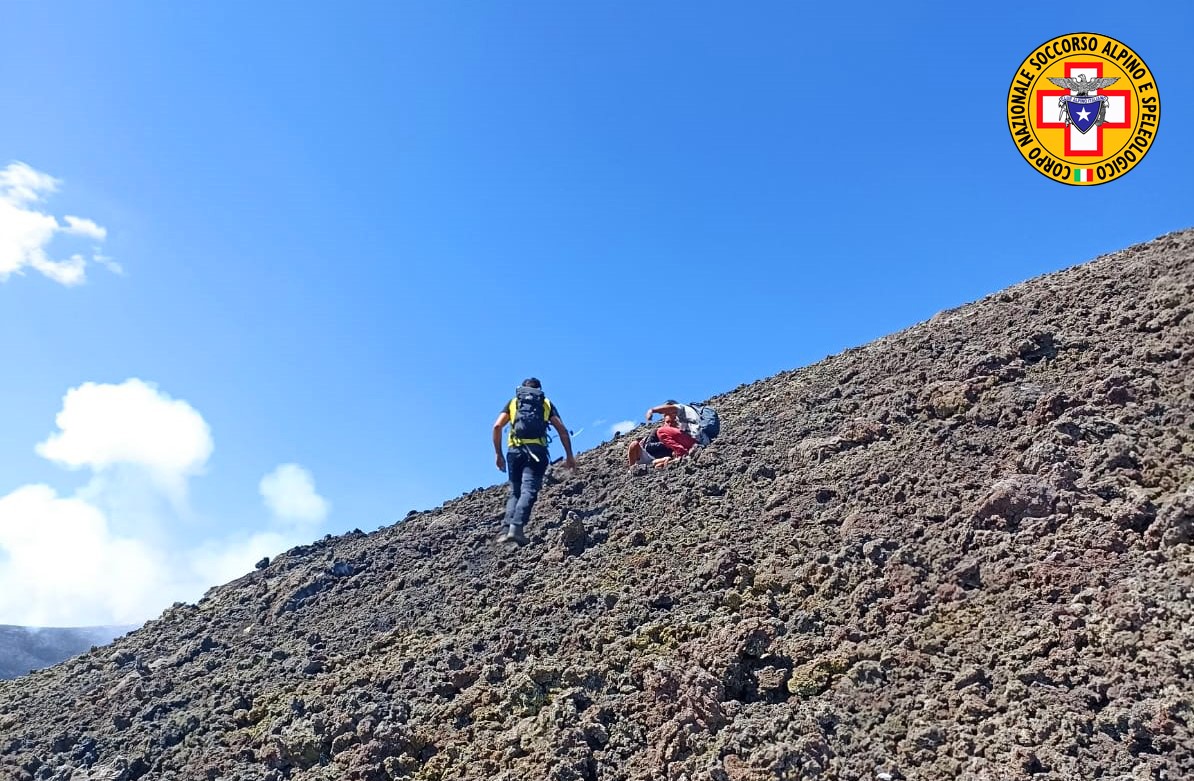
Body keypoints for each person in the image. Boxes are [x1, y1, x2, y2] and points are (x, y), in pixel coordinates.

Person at [492, 378, 576, 544]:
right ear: (540, 389)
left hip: (514, 452)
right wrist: (569, 456)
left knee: (515, 491)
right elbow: (562, 430)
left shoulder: (514, 402)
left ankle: (505, 530)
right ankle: (517, 528)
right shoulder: (545, 403)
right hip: (537, 452)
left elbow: (497, 427)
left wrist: (498, 454)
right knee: (529, 489)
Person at [638, 400, 698, 468]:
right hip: (660, 456)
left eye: (673, 422)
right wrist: (665, 444)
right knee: (657, 464)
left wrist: (651, 410)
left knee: (661, 431)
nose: (670, 424)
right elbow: (648, 446)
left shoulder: (682, 418)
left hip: (691, 445)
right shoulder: (657, 431)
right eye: (668, 422)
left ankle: (681, 454)